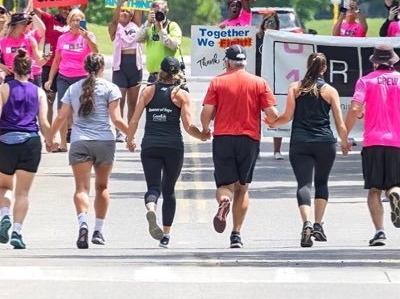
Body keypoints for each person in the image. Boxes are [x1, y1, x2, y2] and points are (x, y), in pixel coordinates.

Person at [48, 53, 129, 249]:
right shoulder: (111, 88)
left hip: (80, 142)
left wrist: (49, 138)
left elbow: (61, 117)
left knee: (81, 189)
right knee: (102, 187)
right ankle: (98, 230)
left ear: (85, 68)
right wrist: (131, 135)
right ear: (102, 68)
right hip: (104, 142)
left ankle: (83, 223)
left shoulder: (73, 88)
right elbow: (117, 119)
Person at [200, 44, 278, 249]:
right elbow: (272, 115)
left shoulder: (217, 81)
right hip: (249, 138)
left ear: (227, 61)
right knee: (243, 188)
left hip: (223, 138)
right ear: (245, 62)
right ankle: (236, 234)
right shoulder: (259, 83)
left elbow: (207, 111)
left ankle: (224, 200)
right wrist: (271, 123)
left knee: (225, 185)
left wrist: (205, 128)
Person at [126, 56, 208, 248]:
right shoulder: (182, 95)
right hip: (173, 147)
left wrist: (130, 139)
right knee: (169, 189)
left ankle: (151, 207)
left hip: (150, 146)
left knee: (153, 188)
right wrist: (203, 136)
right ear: (177, 73)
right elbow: (188, 127)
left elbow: (135, 119)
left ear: (159, 72)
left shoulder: (148, 91)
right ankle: (166, 235)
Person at [268, 53, 348, 248]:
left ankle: (306, 223)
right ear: (325, 69)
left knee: (304, 184)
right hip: (324, 143)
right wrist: (345, 142)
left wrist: (273, 123)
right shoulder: (330, 91)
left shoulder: (295, 88)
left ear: (307, 66)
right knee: (322, 183)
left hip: (300, 142)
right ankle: (319, 224)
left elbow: (287, 116)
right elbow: (339, 123)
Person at [345, 43, 400, 247]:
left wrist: (345, 135)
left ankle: (380, 232)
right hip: (397, 141)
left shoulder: (365, 81)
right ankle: (395, 192)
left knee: (374, 189)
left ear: (375, 62)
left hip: (373, 141)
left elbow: (355, 108)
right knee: (394, 183)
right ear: (393, 61)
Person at [0, 49, 51, 249]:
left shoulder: (4, 89)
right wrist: (50, 141)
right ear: (31, 71)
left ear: (12, 69)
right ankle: (17, 232)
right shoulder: (38, 92)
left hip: (6, 141)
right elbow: (44, 122)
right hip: (30, 142)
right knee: (23, 193)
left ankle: (4, 216)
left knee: (4, 187)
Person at [44, 9, 98, 152]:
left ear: (83, 21)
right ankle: (62, 143)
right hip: (64, 78)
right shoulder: (62, 38)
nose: (76, 23)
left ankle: (82, 140)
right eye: (73, 20)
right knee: (62, 110)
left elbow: (96, 52)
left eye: (79, 20)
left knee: (80, 110)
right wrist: (50, 79)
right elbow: (56, 61)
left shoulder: (88, 35)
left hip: (82, 78)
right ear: (69, 22)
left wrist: (87, 38)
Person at [108, 0, 143, 142]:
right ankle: (119, 131)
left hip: (135, 66)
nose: (125, 13)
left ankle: (131, 131)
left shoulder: (136, 26)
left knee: (132, 102)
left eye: (128, 11)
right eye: (123, 11)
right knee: (119, 100)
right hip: (120, 67)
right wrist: (119, 4)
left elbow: (139, 10)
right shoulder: (114, 29)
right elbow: (115, 20)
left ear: (131, 15)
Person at [34, 5, 72, 123]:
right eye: (65, 8)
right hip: (48, 63)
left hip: (65, 65)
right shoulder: (50, 19)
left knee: (65, 101)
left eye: (69, 9)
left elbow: (83, 6)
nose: (67, 11)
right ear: (59, 8)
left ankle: (68, 130)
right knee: (49, 99)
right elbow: (36, 8)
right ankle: (48, 132)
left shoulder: (73, 22)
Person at [256, 12, 284, 160]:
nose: (270, 25)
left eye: (273, 23)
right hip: (257, 82)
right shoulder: (256, 38)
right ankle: (256, 149)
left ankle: (277, 150)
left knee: (275, 114)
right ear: (263, 24)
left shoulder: (281, 39)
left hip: (275, 82)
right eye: (268, 22)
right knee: (255, 117)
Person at [135, 0, 182, 83]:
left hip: (169, 75)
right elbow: (138, 39)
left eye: (159, 12)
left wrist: (161, 30)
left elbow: (174, 45)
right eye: (154, 12)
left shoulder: (172, 26)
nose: (156, 15)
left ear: (165, 12)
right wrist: (148, 23)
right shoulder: (149, 26)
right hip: (153, 75)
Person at [0, 12, 50, 84]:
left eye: (26, 24)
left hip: (27, 78)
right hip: (10, 78)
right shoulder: (2, 41)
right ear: (15, 25)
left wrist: (46, 58)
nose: (26, 26)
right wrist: (2, 66)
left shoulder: (30, 39)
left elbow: (39, 62)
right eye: (23, 24)